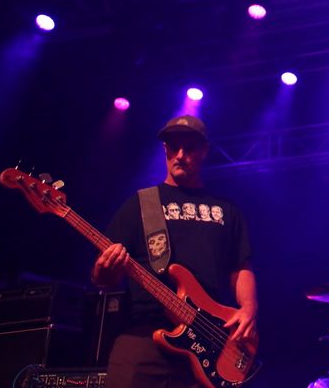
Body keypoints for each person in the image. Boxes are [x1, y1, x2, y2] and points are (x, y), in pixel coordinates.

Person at [91, 115, 258, 388]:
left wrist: (249, 309)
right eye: (173, 147)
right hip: (144, 336)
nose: (180, 155)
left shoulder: (226, 210)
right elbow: (104, 279)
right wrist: (104, 269)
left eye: (189, 148)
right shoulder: (141, 204)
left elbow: (240, 266)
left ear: (204, 151)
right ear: (165, 149)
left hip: (208, 341)